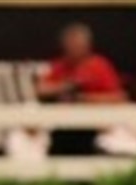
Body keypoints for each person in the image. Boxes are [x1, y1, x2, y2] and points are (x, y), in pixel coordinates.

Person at [36, 23, 127, 156]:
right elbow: (40, 89)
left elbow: (119, 98)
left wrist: (83, 98)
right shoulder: (59, 65)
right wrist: (66, 86)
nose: (74, 48)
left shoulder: (99, 65)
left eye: (78, 45)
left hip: (95, 126)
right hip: (63, 126)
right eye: (71, 44)